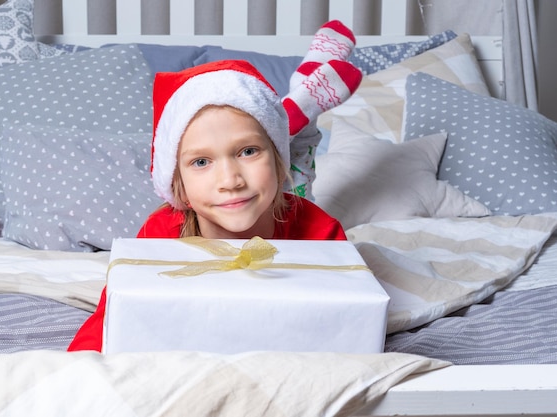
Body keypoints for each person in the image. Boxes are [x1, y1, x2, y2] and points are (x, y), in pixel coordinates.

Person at [68, 23, 362, 352]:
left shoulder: (319, 229)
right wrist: (78, 373)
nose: (230, 181)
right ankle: (300, 104)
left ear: (276, 160)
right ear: (176, 187)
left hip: (286, 199)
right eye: (201, 162)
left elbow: (348, 315)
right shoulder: (162, 232)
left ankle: (300, 118)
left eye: (248, 151)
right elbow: (109, 319)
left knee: (299, 177)